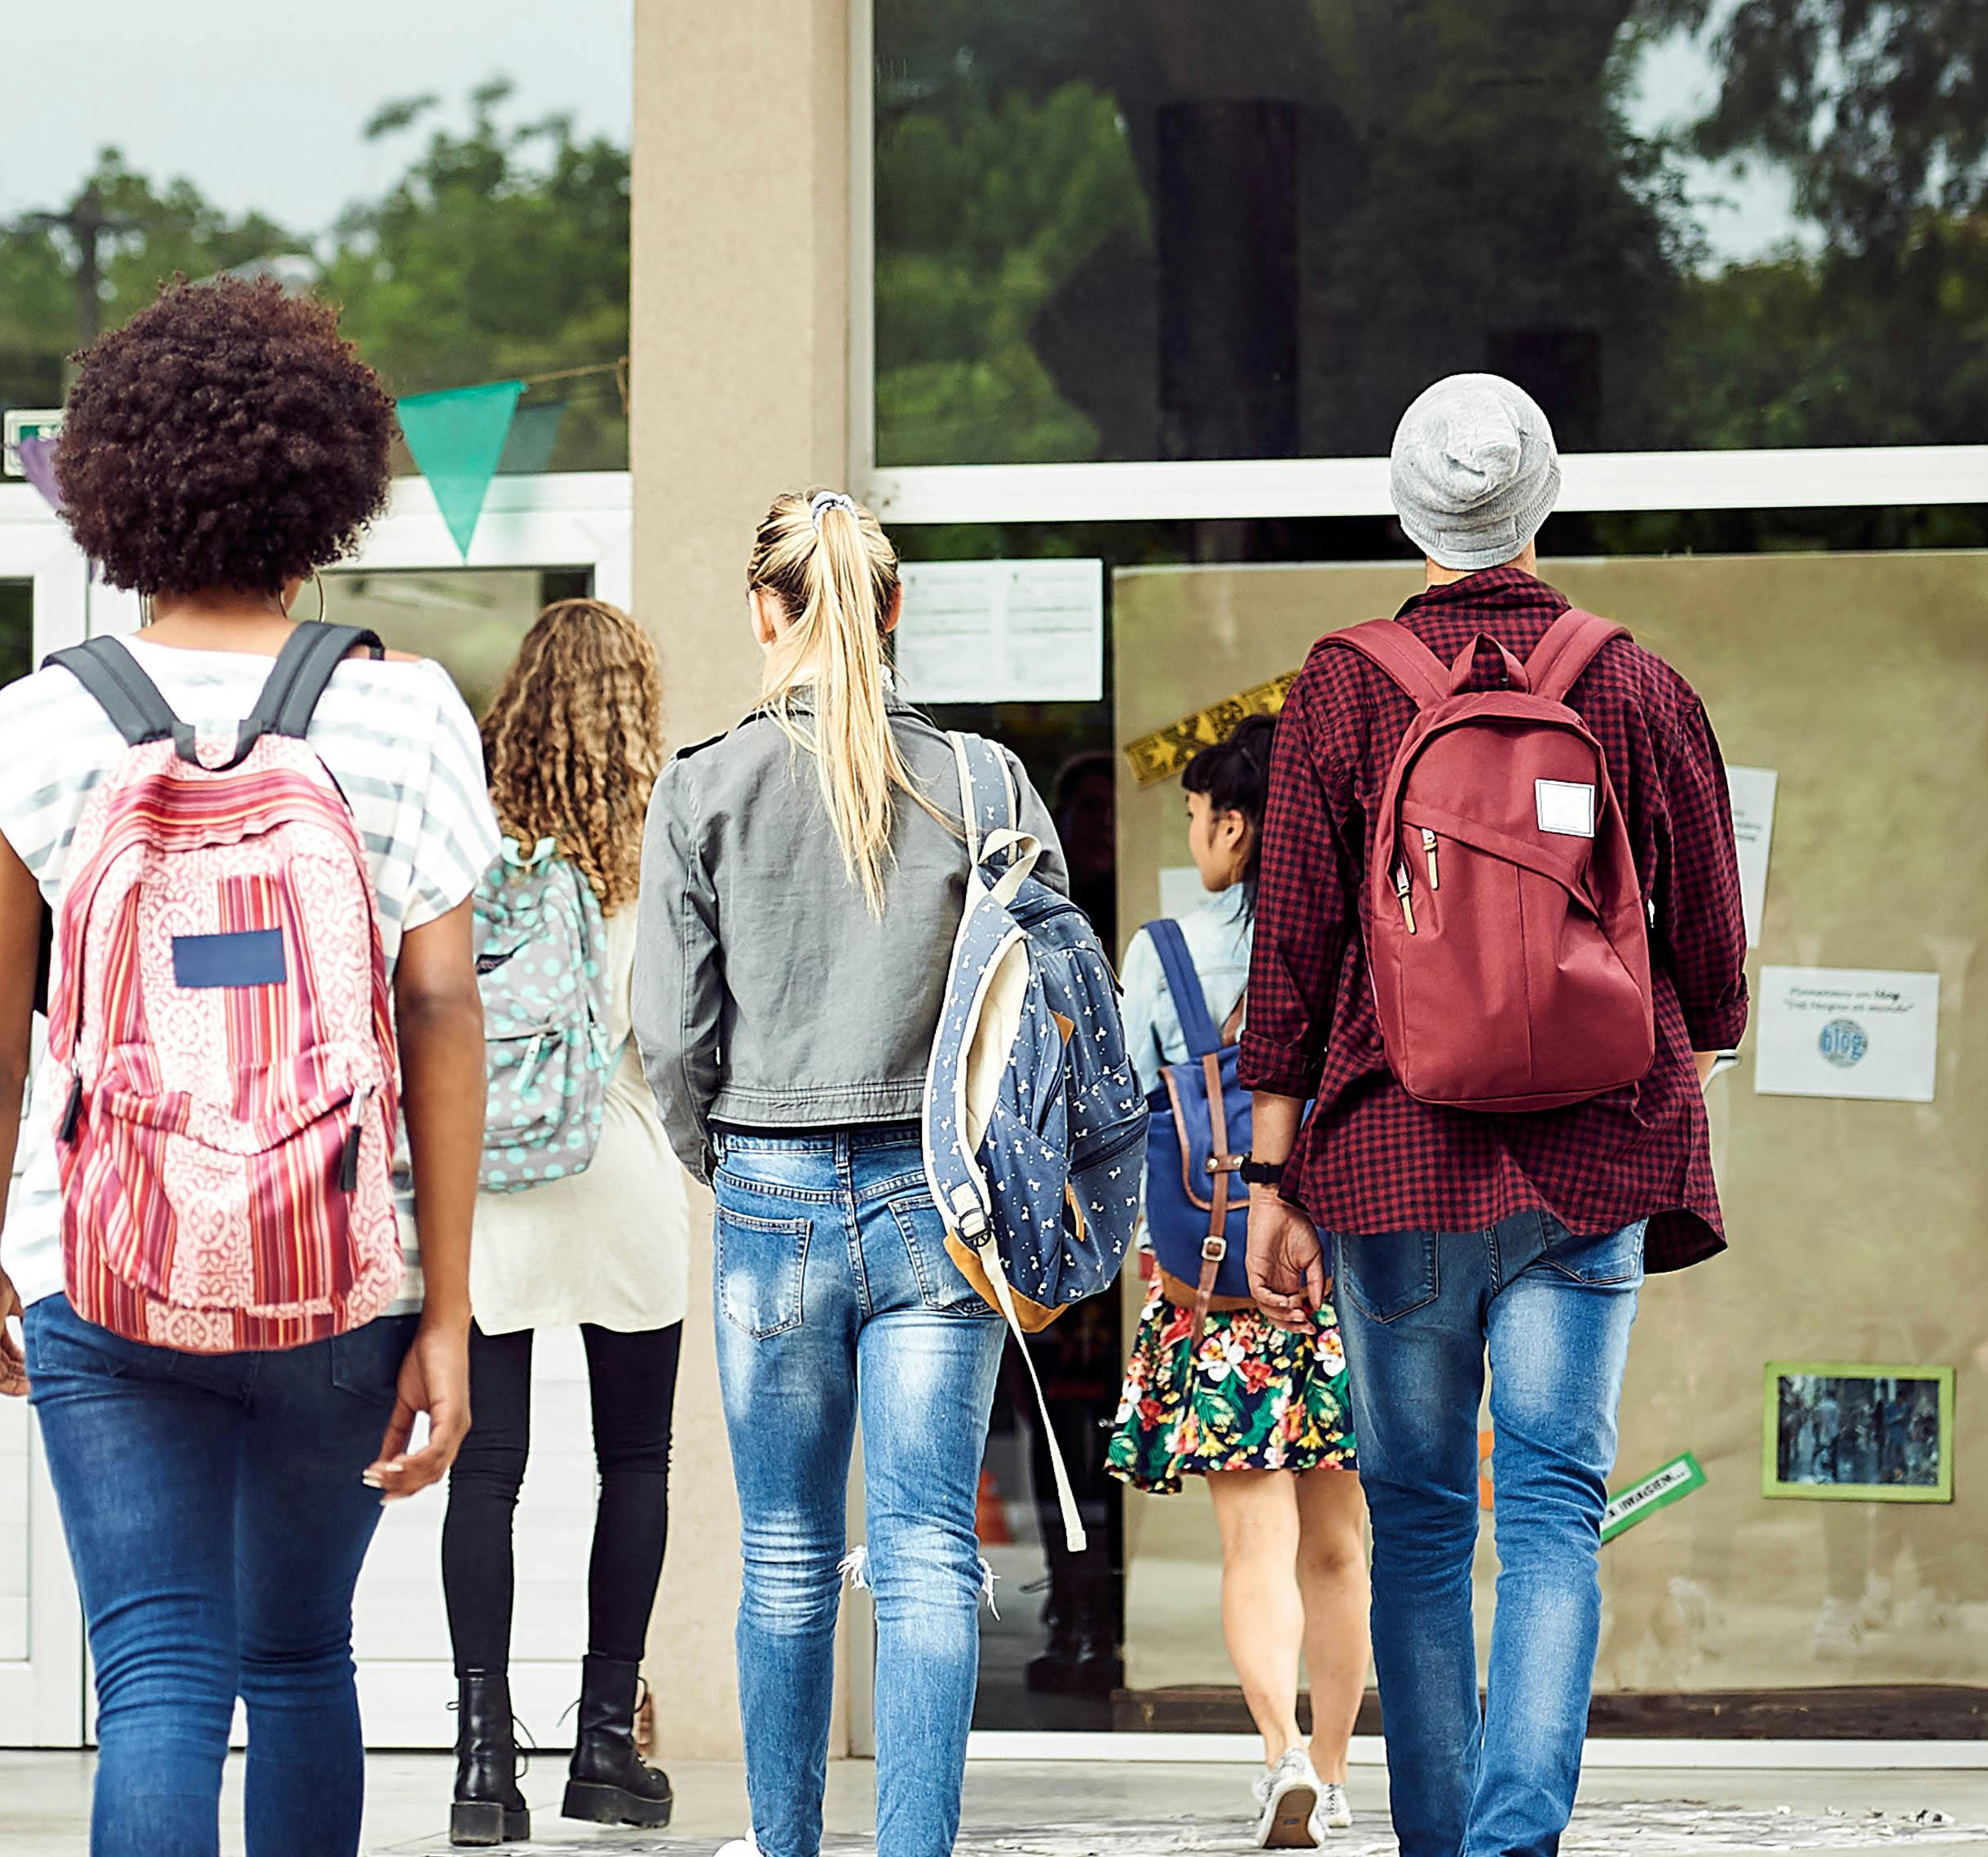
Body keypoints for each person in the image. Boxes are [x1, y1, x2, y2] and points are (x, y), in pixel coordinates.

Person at [0, 276, 493, 1857]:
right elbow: (443, 1016)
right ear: (327, 485)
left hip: (99, 1270)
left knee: (161, 1675)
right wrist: (442, 1306)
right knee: (299, 1653)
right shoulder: (403, 716)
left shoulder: (31, 731)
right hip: (339, 1261)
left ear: (110, 493)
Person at [1245, 374, 1744, 1857]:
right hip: (1591, 1158)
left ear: (1408, 511)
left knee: (1412, 1522)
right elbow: (1713, 956)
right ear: (1538, 503)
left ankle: (1438, 1839)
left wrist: (1271, 1171)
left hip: (1391, 1162)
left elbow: (1292, 951)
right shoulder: (1637, 685)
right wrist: (1670, 1068)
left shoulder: (1339, 686)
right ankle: (1513, 1838)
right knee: (1550, 1511)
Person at [641, 489, 1069, 1857]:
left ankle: (782, 1845)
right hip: (939, 1198)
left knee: (781, 1551)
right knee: (932, 1548)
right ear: (893, 608)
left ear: (763, 611)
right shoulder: (985, 781)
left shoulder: (702, 784)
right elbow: (1054, 1007)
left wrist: (726, 1157)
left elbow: (668, 1033)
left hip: (766, 1186)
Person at [440, 598, 686, 1844]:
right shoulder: (662, 847)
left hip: (495, 1185)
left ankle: (484, 1762)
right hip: (625, 1173)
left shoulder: (476, 848)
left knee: (488, 1469)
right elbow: (690, 1041)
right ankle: (604, 1746)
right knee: (631, 1462)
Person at [1104, 714, 1368, 1846]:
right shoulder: (1359, 946)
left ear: (1233, 822)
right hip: (1341, 1281)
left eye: (1200, 816)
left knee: (1251, 1544)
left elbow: (1118, 1114)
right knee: (1341, 1544)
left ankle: (1280, 1757)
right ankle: (1342, 1769)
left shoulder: (1160, 953)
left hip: (1213, 1281)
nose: (1196, 837)